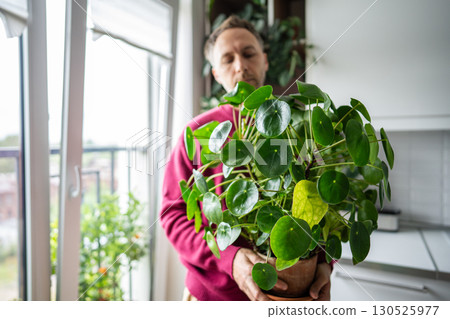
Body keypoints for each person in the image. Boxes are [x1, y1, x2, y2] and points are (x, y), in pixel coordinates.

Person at [159, 15, 332, 301]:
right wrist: (230, 257)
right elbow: (172, 216)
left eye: (249, 54)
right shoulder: (198, 133)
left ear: (264, 61)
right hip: (213, 297)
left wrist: (324, 264)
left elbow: (318, 206)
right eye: (228, 59)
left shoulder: (297, 127)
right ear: (215, 74)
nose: (241, 65)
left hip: (292, 293)